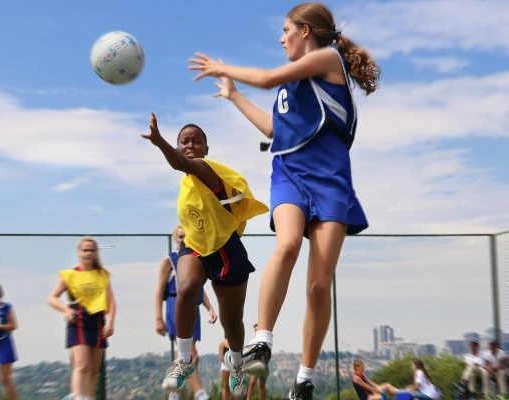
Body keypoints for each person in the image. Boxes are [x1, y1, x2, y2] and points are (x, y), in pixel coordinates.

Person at [188, 2, 381, 398]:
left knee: (317, 285)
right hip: (289, 174)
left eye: (285, 30)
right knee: (288, 243)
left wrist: (222, 66)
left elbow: (267, 76)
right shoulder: (292, 90)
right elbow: (275, 128)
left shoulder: (327, 59)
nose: (281, 38)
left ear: (306, 31)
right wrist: (233, 95)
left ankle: (305, 378)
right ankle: (263, 340)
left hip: (330, 180)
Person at [142, 112, 269, 397]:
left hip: (226, 249)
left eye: (196, 141)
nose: (190, 145)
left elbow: (181, 162)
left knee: (231, 321)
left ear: (205, 149)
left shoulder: (206, 170)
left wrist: (159, 141)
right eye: (184, 141)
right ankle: (185, 359)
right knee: (186, 287)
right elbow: (180, 165)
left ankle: (236, 362)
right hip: (196, 246)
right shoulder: (186, 184)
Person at [48, 237, 116, 400]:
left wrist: (111, 322)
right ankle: (78, 397)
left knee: (93, 369)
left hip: (98, 322)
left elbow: (111, 302)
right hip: (78, 321)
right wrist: (65, 310)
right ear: (78, 252)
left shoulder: (102, 275)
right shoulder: (70, 275)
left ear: (96, 253)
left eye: (92, 250)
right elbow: (52, 298)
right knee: (82, 365)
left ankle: (89, 397)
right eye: (85, 250)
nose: (88, 253)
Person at [156, 224, 218, 400]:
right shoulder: (170, 260)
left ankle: (174, 395)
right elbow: (159, 291)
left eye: (187, 236)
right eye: (181, 236)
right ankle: (200, 394)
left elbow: (199, 287)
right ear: (176, 239)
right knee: (192, 355)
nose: (184, 239)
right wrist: (158, 318)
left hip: (194, 308)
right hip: (176, 305)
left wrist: (210, 308)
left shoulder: (195, 258)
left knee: (186, 356)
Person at [246, 324, 267, 400]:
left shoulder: (265, 340)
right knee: (252, 382)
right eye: (255, 330)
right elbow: (251, 351)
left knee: (262, 385)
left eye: (257, 329)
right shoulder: (252, 341)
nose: (256, 331)